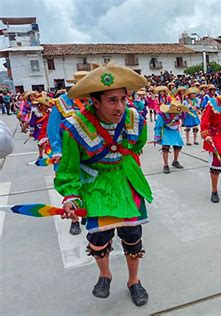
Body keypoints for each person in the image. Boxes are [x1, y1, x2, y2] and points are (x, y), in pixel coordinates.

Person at [55, 62, 152, 306]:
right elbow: (68, 167)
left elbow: (138, 144)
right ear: (95, 101)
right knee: (99, 239)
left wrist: (122, 161)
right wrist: (71, 196)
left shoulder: (134, 118)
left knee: (132, 235)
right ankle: (104, 275)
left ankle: (134, 281)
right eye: (112, 100)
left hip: (125, 182)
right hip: (96, 184)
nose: (120, 107)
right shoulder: (75, 127)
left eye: (122, 99)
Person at [47, 71, 91, 235]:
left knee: (88, 183)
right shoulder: (61, 103)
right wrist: (57, 150)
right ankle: (74, 219)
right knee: (71, 184)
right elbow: (52, 130)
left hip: (89, 152)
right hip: (67, 153)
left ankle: (86, 210)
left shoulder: (94, 102)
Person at [154, 100, 187, 174]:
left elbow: (183, 117)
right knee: (165, 147)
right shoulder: (163, 114)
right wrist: (157, 135)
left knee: (178, 146)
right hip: (166, 131)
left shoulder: (179, 113)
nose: (176, 114)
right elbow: (158, 126)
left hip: (175, 130)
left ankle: (175, 161)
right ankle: (165, 165)